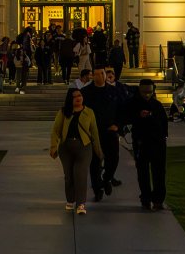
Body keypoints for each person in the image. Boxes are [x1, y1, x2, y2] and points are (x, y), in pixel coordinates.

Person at [48, 86, 102, 214]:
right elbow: (56, 130)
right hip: (66, 148)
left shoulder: (89, 112)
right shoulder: (63, 112)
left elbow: (94, 133)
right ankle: (70, 200)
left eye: (80, 96)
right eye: (75, 97)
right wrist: (53, 146)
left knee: (81, 175)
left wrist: (98, 151)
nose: (78, 98)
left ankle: (81, 204)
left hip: (84, 147)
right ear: (70, 99)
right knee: (69, 176)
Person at [81, 67, 126, 201]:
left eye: (102, 73)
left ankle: (107, 178)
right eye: (96, 74)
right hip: (93, 133)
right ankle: (97, 189)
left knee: (113, 159)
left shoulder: (114, 91)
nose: (99, 76)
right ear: (92, 76)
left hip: (110, 131)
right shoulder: (86, 92)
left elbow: (122, 110)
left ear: (105, 75)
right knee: (94, 163)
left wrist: (118, 125)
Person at [130, 79, 170, 210]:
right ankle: (146, 198)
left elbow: (163, 124)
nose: (147, 95)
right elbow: (128, 117)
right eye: (144, 92)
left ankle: (157, 199)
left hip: (156, 142)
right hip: (142, 142)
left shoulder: (157, 105)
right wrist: (139, 116)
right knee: (143, 172)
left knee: (158, 171)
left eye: (149, 92)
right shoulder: (134, 104)